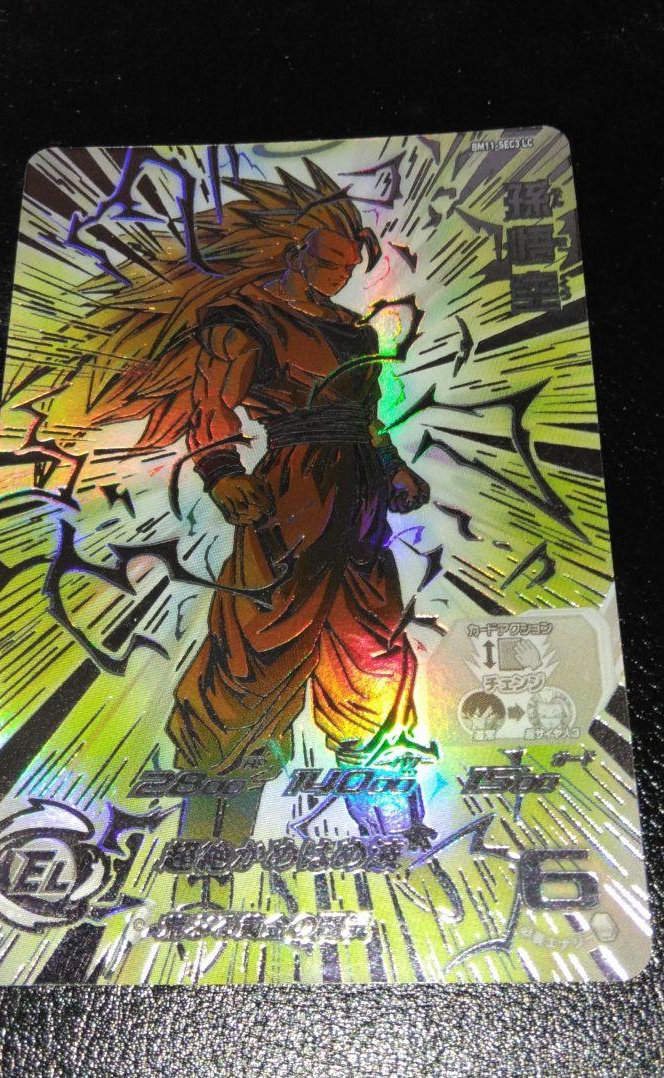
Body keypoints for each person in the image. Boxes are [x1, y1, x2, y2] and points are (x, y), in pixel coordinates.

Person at [85, 160, 435, 847]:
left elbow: (368, 417)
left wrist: (394, 466)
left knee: (371, 637)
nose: (337, 276)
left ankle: (378, 794)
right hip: (292, 492)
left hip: (361, 498)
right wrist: (221, 471)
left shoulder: (354, 331)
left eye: (347, 266)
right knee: (260, 637)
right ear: (294, 249)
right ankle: (216, 812)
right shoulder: (244, 320)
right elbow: (210, 407)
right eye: (327, 261)